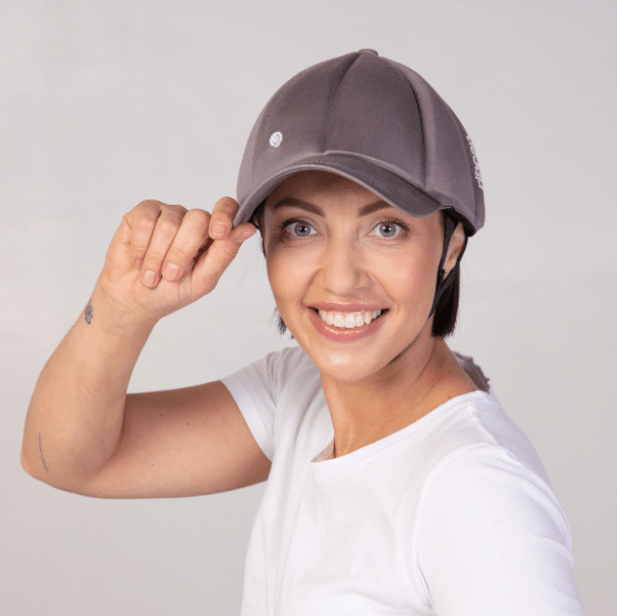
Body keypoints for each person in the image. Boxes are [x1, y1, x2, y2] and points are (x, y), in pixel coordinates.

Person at [21, 50, 586, 614]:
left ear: (451, 246)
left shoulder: (476, 489)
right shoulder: (298, 395)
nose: (340, 278)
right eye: (301, 227)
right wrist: (120, 308)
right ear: (263, 240)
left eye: (387, 228)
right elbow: (64, 458)